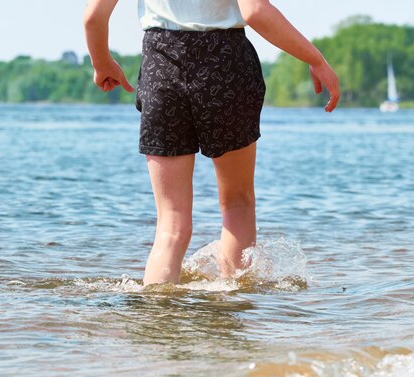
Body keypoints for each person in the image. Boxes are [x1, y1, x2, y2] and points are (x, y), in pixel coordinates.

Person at [83, 0, 340, 286]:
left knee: (171, 225)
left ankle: (156, 317)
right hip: (226, 64)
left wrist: (102, 62)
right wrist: (316, 60)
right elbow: (255, 11)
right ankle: (230, 313)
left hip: (161, 64)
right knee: (237, 204)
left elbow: (93, 17)